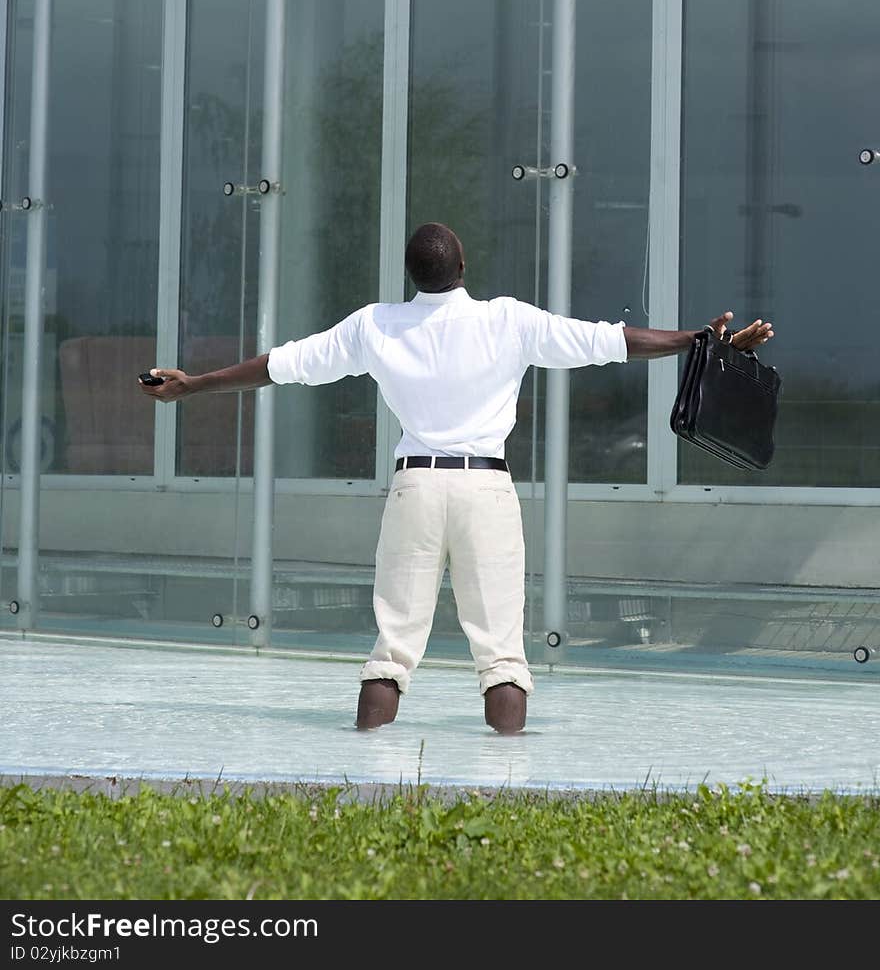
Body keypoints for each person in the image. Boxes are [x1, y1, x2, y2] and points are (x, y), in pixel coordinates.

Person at [139, 222, 773, 736]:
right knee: (500, 654)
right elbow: (613, 341)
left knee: (392, 648)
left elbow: (279, 366)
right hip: (485, 491)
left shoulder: (375, 325)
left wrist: (195, 385)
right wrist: (700, 341)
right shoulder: (508, 320)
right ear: (463, 268)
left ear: (412, 275)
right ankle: (509, 782)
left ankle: (364, 774)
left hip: (414, 488)